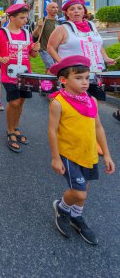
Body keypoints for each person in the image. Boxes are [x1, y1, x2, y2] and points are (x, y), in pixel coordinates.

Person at [48, 55, 115, 245]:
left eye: (87, 77)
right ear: (63, 80)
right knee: (79, 193)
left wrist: (107, 154)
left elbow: (98, 128)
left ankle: (76, 216)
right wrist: (55, 158)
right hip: (68, 154)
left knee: (84, 187)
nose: (85, 82)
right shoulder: (58, 103)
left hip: (89, 153)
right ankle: (61, 208)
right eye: (78, 78)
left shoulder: (91, 100)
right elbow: (52, 131)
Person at [0, 4, 40, 153]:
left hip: (25, 74)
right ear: (12, 18)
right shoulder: (1, 34)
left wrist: (35, 49)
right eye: (22, 17)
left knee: (21, 102)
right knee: (14, 102)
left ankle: (16, 127)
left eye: (26, 17)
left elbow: (33, 55)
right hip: (9, 75)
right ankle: (9, 131)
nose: (25, 20)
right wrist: (0, 58)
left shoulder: (27, 34)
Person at [47, 0, 115, 101]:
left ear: (84, 11)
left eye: (79, 8)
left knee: (95, 105)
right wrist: (62, 64)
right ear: (67, 13)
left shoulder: (92, 25)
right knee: (75, 106)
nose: (76, 11)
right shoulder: (62, 28)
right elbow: (50, 47)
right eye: (72, 9)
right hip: (74, 75)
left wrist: (105, 58)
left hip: (97, 73)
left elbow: (97, 44)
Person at [32, 2, 59, 73]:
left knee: (51, 68)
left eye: (57, 7)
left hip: (56, 50)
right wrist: (39, 27)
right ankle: (49, 83)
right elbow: (35, 35)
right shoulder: (43, 21)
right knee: (51, 67)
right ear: (47, 9)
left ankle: (46, 82)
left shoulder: (58, 22)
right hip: (45, 49)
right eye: (53, 7)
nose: (55, 9)